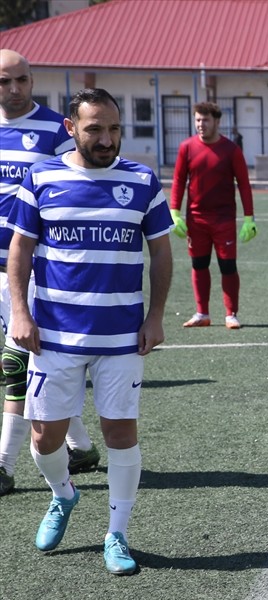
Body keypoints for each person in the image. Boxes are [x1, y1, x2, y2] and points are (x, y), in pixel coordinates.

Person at [7, 87, 173, 575]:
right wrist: (20, 312)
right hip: (54, 334)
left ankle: (117, 535)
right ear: (71, 128)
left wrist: (156, 315)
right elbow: (20, 250)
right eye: (95, 128)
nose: (106, 138)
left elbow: (161, 252)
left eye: (114, 128)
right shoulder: (43, 177)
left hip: (121, 336)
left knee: (121, 433)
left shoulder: (142, 180)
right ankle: (64, 495)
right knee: (43, 438)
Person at [0, 49, 101, 499]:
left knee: (15, 363)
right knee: (42, 367)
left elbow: (79, 192)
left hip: (34, 273)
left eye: (21, 79)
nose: (14, 89)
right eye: (4, 81)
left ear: (33, 79)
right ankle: (79, 446)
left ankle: (3, 466)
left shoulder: (56, 131)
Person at [171, 101, 256, 330]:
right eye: (197, 119)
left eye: (205, 120)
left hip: (224, 219)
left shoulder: (231, 150)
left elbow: (244, 185)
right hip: (196, 219)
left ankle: (231, 314)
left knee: (227, 266)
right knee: (199, 264)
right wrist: (174, 212)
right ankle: (202, 314)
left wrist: (249, 218)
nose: (201, 124)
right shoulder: (186, 147)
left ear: (217, 121)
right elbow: (179, 180)